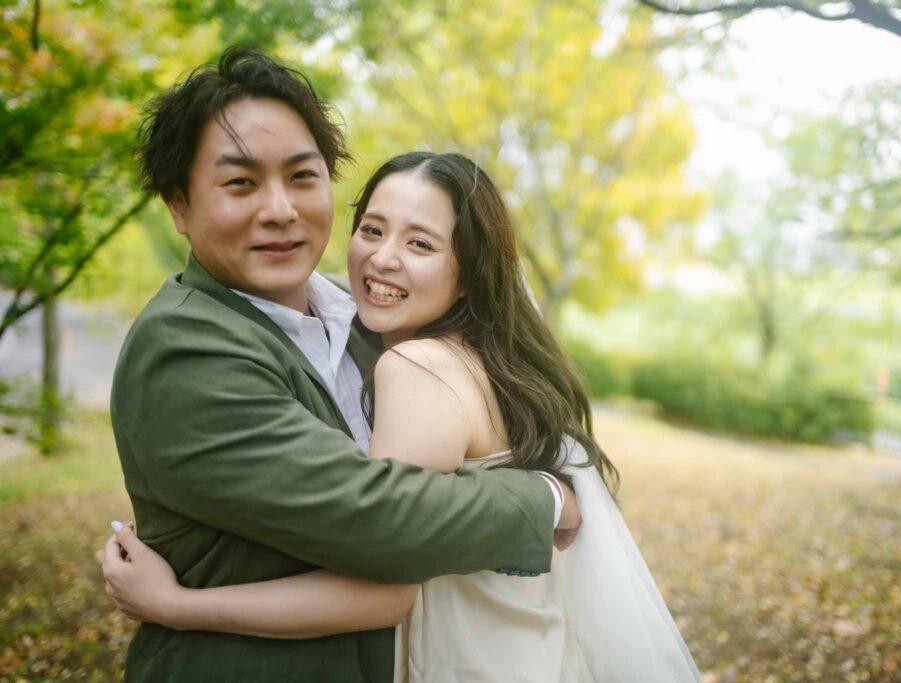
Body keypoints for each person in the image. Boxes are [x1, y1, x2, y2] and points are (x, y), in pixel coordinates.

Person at [104, 151, 704, 682]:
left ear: (468, 274)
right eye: (372, 230)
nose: (383, 259)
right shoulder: (492, 362)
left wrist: (176, 606)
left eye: (420, 244)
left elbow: (384, 587)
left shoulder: (417, 367)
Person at [106, 47, 581, 683]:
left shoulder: (366, 316)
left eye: (303, 176)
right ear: (179, 206)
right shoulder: (183, 348)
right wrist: (543, 499)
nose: (280, 209)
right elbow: (378, 520)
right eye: (241, 183)